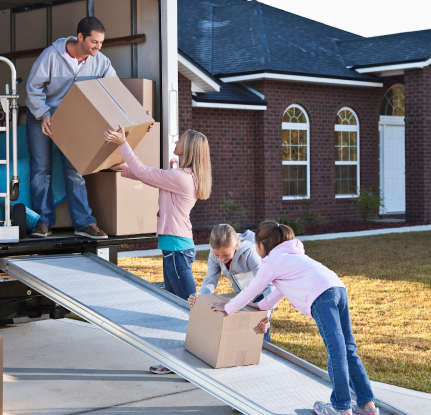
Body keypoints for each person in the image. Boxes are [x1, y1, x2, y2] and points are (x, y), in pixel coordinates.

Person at [209, 221, 379, 415]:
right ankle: (368, 406)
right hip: (338, 288)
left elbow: (252, 290)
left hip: (322, 297)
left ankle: (341, 407)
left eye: (256, 245)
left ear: (262, 246)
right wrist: (261, 306)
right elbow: (279, 291)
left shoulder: (271, 261)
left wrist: (228, 307)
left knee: (337, 352)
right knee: (348, 349)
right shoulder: (293, 256)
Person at [104, 127, 212, 375]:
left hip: (176, 249)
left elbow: (145, 172)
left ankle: (196, 364)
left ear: (190, 148)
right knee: (175, 308)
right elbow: (144, 175)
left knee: (189, 309)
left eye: (181, 140)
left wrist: (123, 144)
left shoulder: (182, 176)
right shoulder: (183, 175)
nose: (176, 141)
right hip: (174, 248)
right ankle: (176, 362)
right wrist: (118, 168)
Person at [25, 16, 116, 239]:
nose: (98, 47)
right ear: (81, 37)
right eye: (94, 42)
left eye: (101, 42)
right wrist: (43, 114)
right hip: (42, 116)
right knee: (41, 169)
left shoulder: (101, 62)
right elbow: (32, 88)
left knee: (75, 171)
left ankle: (84, 223)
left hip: (74, 120)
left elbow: (113, 91)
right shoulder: (51, 56)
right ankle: (42, 222)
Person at [187, 224, 275, 343]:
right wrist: (200, 295)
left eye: (226, 255)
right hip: (240, 296)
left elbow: (268, 285)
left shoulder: (249, 254)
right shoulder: (214, 254)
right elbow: (210, 281)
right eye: (217, 255)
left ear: (236, 246)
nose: (221, 259)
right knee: (242, 336)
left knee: (260, 337)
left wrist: (267, 313)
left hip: (260, 296)